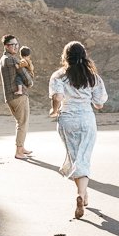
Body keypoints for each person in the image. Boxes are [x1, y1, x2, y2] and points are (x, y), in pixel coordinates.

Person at [48, 41, 107, 218]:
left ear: (66, 56)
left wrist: (54, 109)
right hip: (86, 119)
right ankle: (81, 194)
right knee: (83, 158)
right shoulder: (93, 77)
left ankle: (84, 194)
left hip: (67, 119)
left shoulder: (58, 76)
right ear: (84, 55)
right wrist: (93, 101)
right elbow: (99, 103)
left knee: (75, 158)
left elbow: (58, 96)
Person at [0, 34, 33, 160]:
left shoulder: (2, 59)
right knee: (23, 123)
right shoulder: (12, 60)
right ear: (6, 46)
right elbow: (26, 78)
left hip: (9, 97)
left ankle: (21, 147)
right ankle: (19, 151)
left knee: (20, 122)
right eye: (13, 44)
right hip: (19, 96)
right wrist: (30, 82)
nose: (16, 47)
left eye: (17, 44)